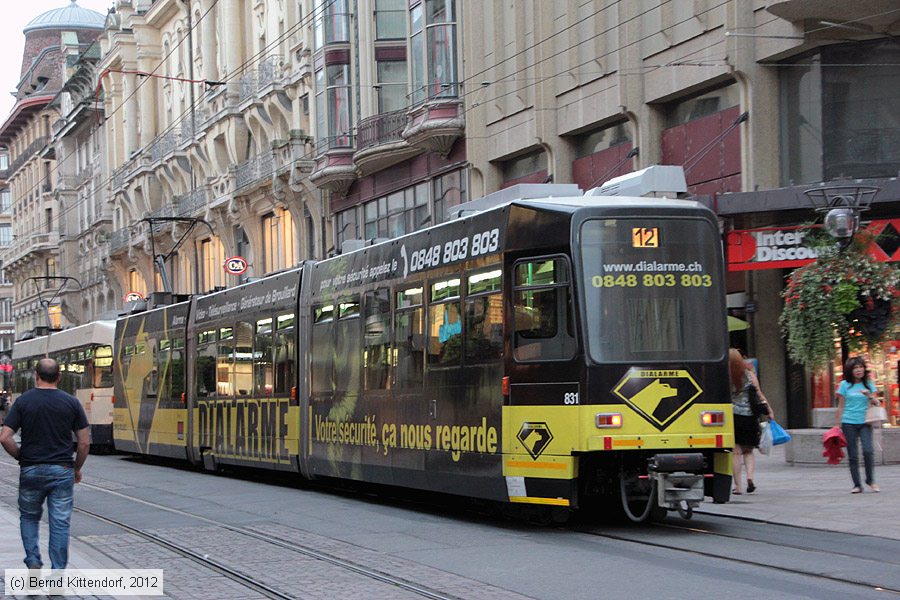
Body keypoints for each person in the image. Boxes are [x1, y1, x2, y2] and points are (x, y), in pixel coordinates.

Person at [0, 358, 90, 570]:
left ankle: (33, 560)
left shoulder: (23, 402)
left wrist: (21, 456)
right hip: (62, 469)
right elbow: (84, 442)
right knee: (60, 522)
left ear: (36, 376)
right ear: (59, 376)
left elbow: (5, 437)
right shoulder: (71, 402)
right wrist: (77, 468)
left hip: (31, 469)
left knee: (29, 518)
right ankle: (57, 572)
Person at [729, 348, 773, 495]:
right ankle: (750, 477)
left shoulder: (726, 376)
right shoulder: (749, 375)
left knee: (735, 453)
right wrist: (769, 410)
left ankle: (738, 486)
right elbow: (759, 394)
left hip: (733, 417)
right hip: (750, 417)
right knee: (748, 451)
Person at [835, 356, 879, 494]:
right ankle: (857, 485)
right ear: (850, 370)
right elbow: (841, 406)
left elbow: (877, 403)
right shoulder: (844, 385)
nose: (859, 370)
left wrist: (869, 395)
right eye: (855, 368)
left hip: (865, 422)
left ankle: (870, 480)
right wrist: (837, 425)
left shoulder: (868, 383)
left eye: (860, 367)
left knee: (868, 450)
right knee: (853, 454)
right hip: (848, 423)